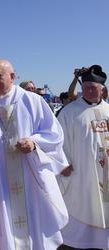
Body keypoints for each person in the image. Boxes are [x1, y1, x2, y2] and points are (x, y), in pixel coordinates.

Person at [0, 59, 69, 250]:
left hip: (30, 179)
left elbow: (54, 134)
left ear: (12, 77)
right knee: (3, 231)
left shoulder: (32, 101)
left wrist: (34, 143)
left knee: (35, 227)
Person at [57, 65, 109, 249]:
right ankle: (80, 241)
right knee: (83, 202)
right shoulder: (69, 112)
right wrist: (62, 163)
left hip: (106, 172)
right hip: (81, 171)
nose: (87, 90)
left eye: (92, 87)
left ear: (102, 90)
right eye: (85, 86)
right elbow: (58, 141)